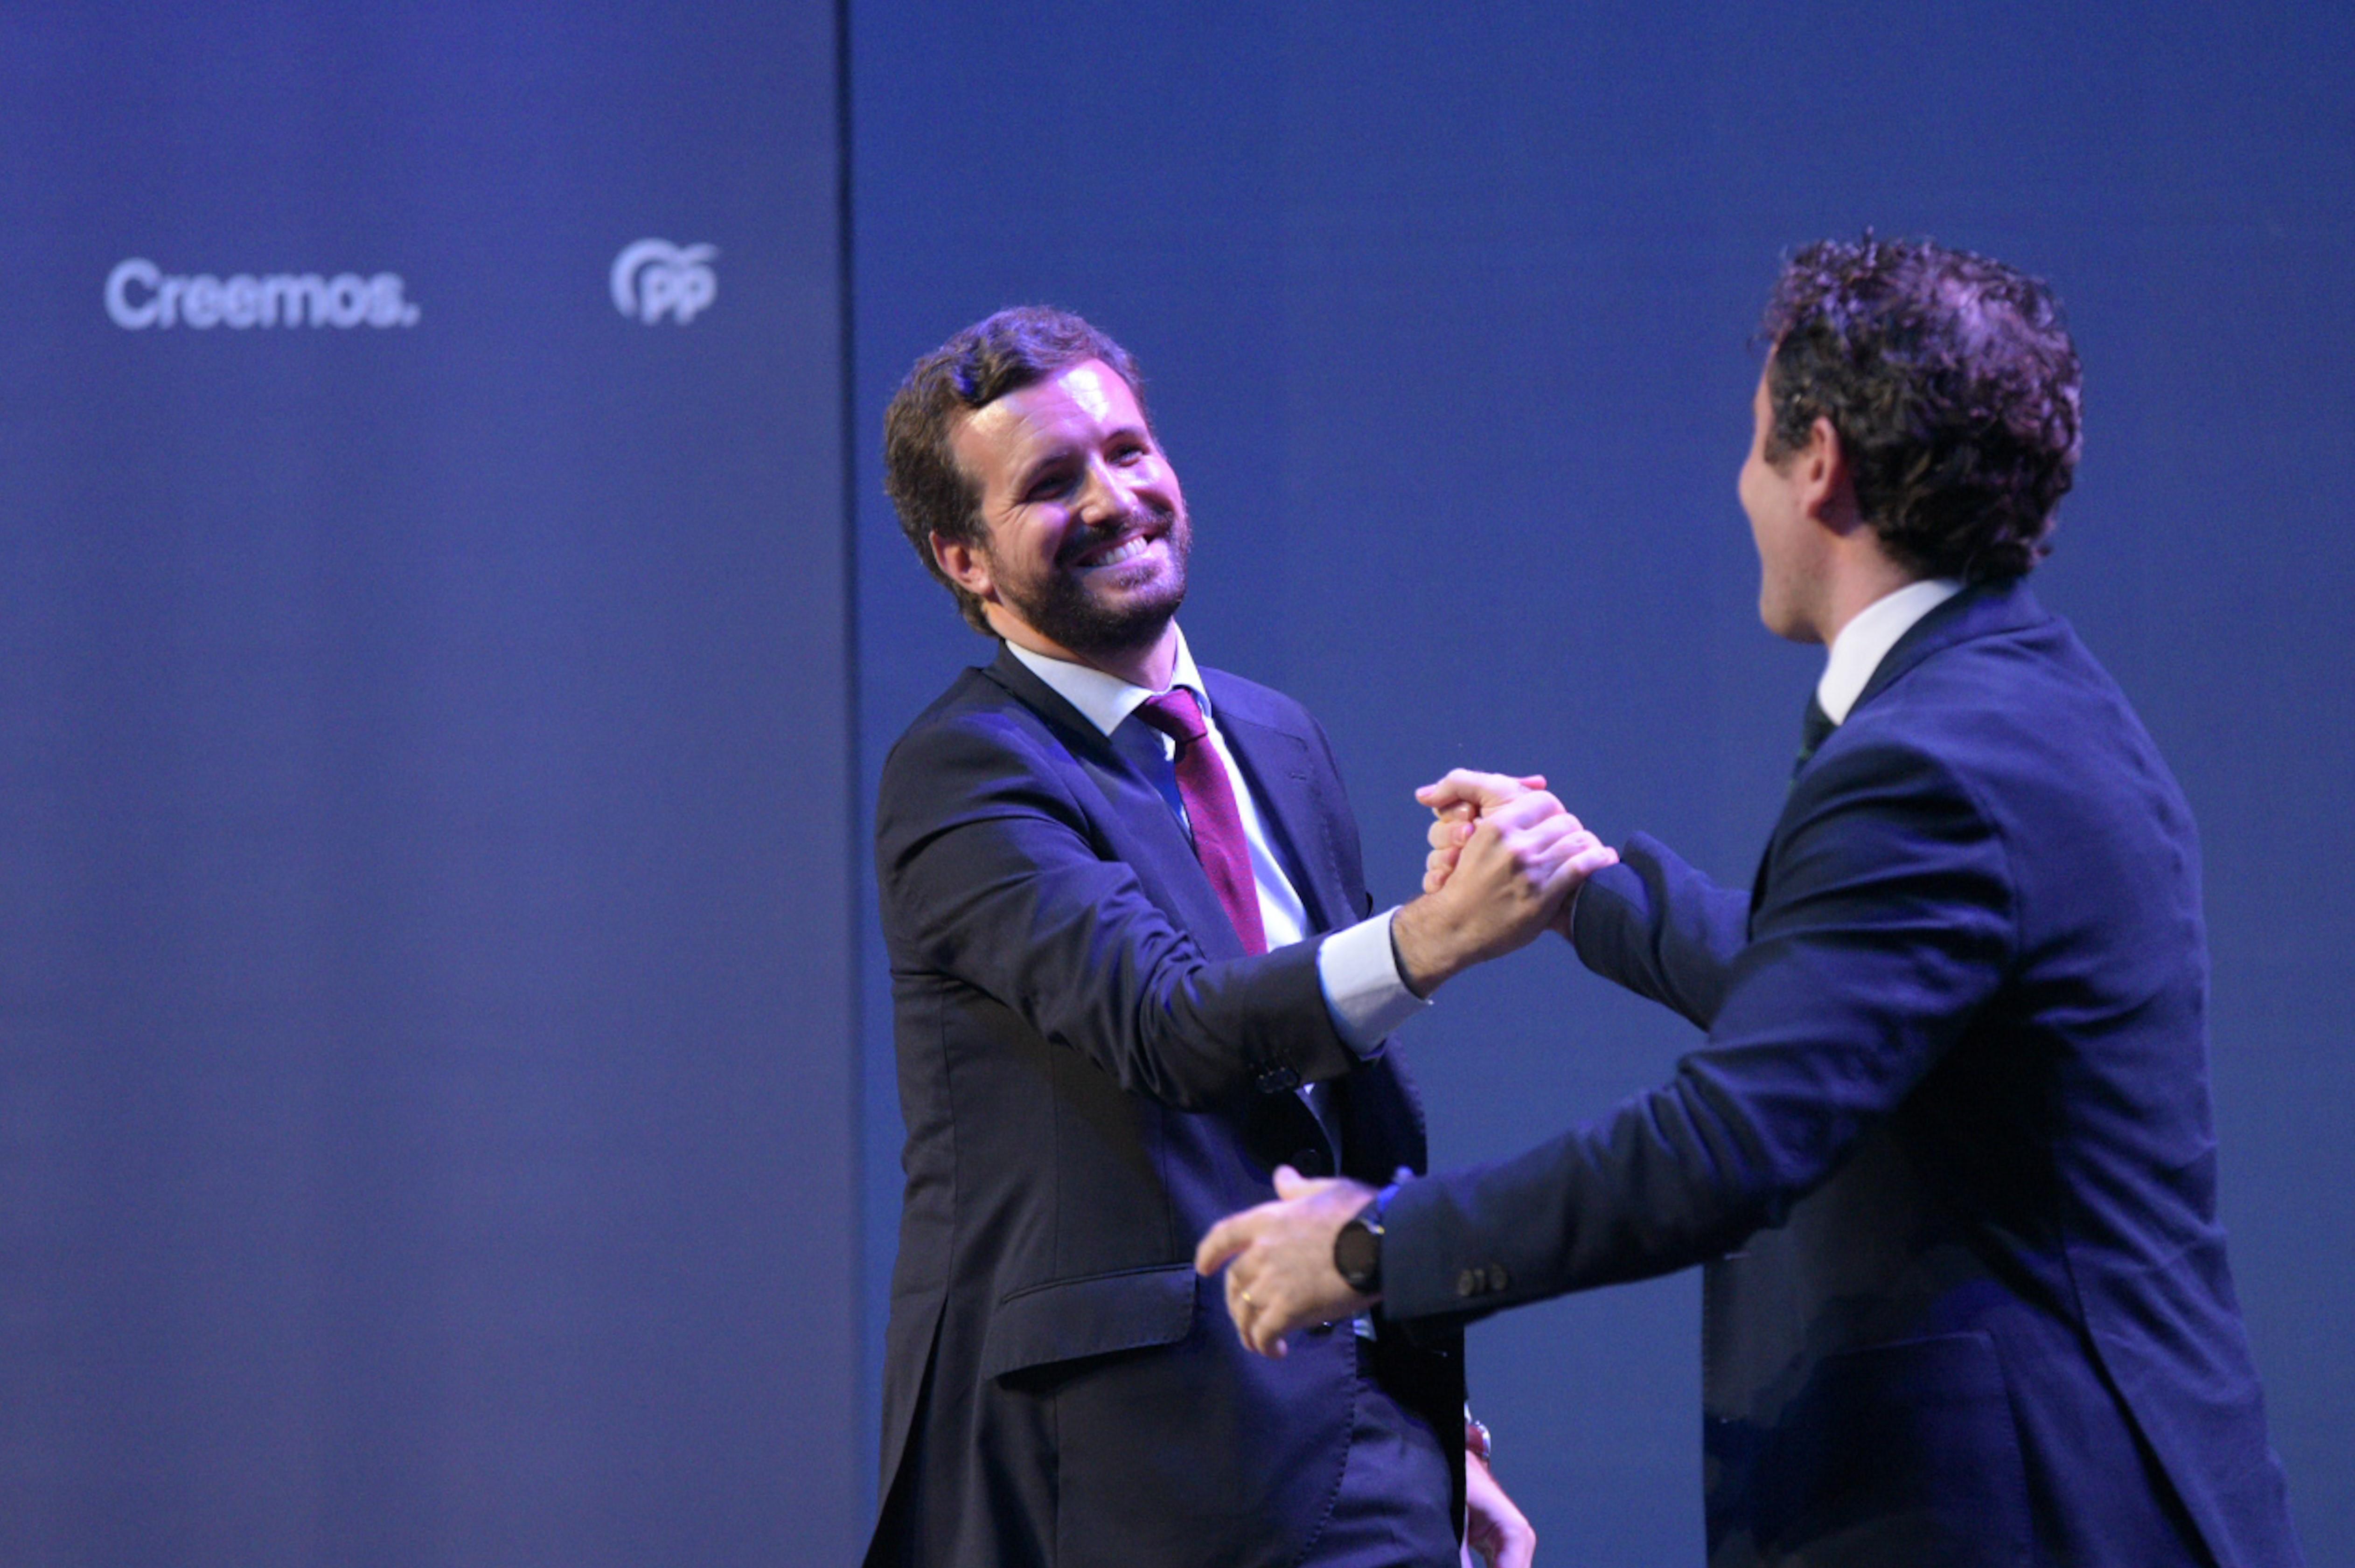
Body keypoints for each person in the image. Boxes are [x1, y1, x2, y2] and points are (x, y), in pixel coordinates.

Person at [1198, 239, 2305, 1568]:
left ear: (1820, 462)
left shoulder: (1932, 760)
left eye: (1752, 448)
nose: (1740, 486)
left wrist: (1376, 1242)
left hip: (2017, 1511)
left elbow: (1729, 1141)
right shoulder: (2028, 702)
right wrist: (1582, 884)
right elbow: (1846, 1005)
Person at [864, 305, 1613, 1567]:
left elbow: (1334, 1116)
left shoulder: (1273, 735)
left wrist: (1431, 1429)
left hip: (1355, 1432)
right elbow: (1171, 1025)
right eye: (1053, 482)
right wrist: (1431, 938)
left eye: (1129, 450)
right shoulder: (966, 772)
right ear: (966, 560)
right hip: (1128, 1467)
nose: (1115, 497)